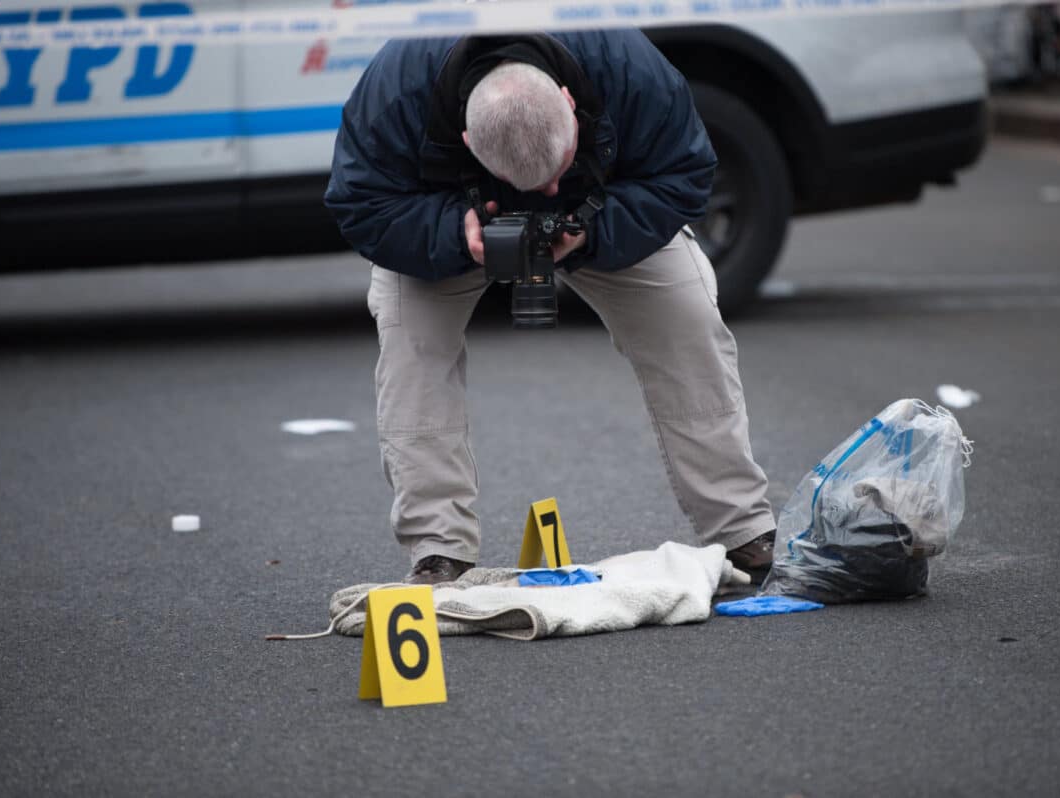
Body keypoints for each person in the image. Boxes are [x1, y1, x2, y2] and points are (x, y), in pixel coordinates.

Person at [325, 30, 777, 584]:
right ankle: (437, 552)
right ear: (466, 139)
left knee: (688, 318)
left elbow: (684, 175)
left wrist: (590, 228)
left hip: (597, 212)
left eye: (560, 170)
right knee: (410, 347)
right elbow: (360, 203)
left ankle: (743, 531)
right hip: (454, 220)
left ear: (569, 101)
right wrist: (453, 234)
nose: (548, 189)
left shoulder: (629, 68)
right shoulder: (395, 94)